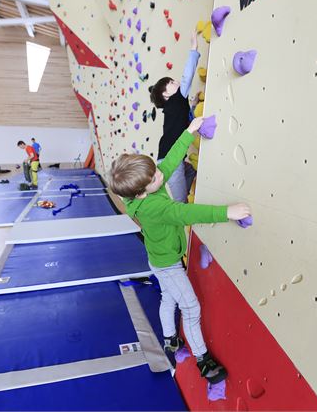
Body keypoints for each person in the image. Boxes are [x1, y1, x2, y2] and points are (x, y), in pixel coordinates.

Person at [108, 117, 252, 384]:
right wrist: (226, 212)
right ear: (140, 193)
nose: (160, 175)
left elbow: (169, 163)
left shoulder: (147, 186)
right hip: (167, 264)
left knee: (168, 299)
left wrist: (188, 132)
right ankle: (202, 360)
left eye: (155, 170)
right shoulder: (153, 207)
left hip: (160, 258)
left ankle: (169, 337)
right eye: (154, 177)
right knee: (190, 307)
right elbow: (185, 212)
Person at [149, 31, 200, 203]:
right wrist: (193, 48)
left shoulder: (175, 106)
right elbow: (187, 76)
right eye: (171, 83)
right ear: (165, 95)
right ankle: (181, 222)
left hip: (171, 158)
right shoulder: (176, 99)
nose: (176, 82)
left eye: (173, 80)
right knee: (180, 203)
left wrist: (192, 105)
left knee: (192, 171)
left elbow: (186, 120)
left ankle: (184, 199)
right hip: (170, 160)